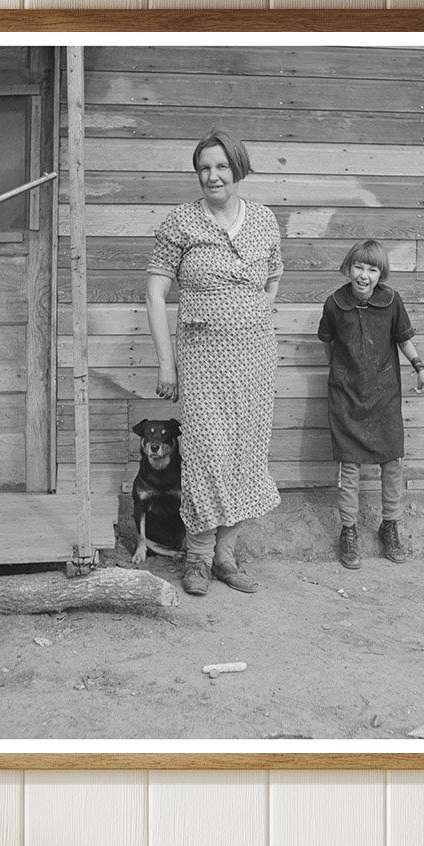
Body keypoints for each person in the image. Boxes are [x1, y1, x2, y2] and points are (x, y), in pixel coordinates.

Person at [145, 130, 283, 596]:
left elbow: (273, 280)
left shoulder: (264, 220)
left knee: (247, 454)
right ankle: (199, 557)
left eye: (221, 166)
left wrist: (256, 313)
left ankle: (226, 556)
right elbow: (155, 291)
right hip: (203, 359)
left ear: (237, 168)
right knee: (206, 454)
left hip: (256, 360)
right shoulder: (181, 222)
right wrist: (168, 364)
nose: (212, 175)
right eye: (204, 167)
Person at [318, 239, 424, 570]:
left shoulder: (392, 302)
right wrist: (342, 375)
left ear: (381, 274)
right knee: (350, 466)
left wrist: (419, 367)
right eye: (359, 267)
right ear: (349, 268)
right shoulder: (334, 304)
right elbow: (329, 345)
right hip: (347, 397)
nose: (364, 275)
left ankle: (390, 526)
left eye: (372, 269)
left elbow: (404, 339)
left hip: (384, 397)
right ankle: (348, 530)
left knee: (392, 462)